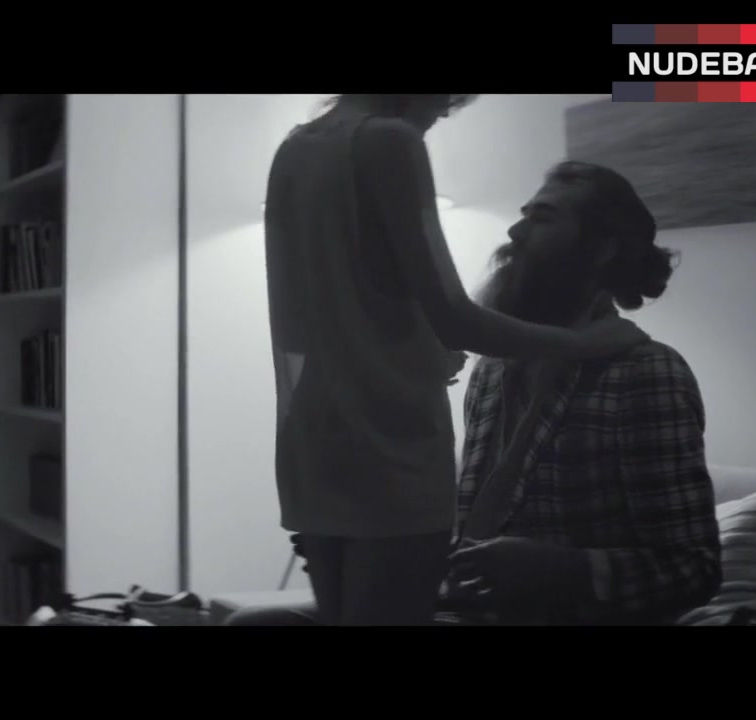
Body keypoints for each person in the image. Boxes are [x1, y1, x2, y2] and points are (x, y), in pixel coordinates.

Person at [242, 159, 721, 626]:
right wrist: (363, 536)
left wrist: (565, 569)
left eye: (543, 218)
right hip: (454, 608)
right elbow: (471, 538)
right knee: (258, 623)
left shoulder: (646, 373)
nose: (514, 232)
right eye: (523, 215)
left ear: (602, 249)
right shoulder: (494, 368)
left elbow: (693, 568)